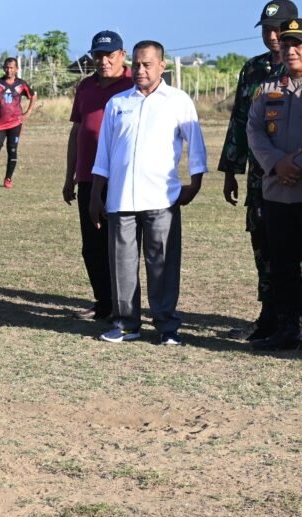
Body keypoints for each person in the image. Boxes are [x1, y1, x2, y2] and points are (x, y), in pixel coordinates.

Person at [89, 40, 208, 345]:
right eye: (137, 64)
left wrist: (194, 184)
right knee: (122, 265)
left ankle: (167, 327)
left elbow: (195, 145)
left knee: (163, 264)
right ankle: (126, 324)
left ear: (161, 66)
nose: (140, 70)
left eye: (147, 64)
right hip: (121, 199)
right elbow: (104, 153)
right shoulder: (118, 103)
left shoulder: (178, 101)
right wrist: (96, 194)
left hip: (162, 199)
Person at [220, 0, 298, 341]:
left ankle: (290, 318)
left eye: (279, 28)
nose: (272, 36)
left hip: (295, 177)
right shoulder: (254, 70)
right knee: (266, 244)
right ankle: (271, 316)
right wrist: (230, 169)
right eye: (267, 29)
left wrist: (291, 164)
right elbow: (241, 121)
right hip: (262, 176)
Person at [64, 30, 133, 321]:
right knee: (92, 245)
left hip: (123, 177)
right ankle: (103, 302)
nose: (103, 61)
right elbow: (78, 130)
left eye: (109, 55)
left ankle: (126, 305)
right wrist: (70, 177)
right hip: (89, 177)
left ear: (122, 54)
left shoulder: (133, 83)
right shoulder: (86, 86)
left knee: (122, 244)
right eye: (98, 55)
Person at [246, 17, 302, 350]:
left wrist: (293, 163)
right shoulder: (268, 89)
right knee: (281, 264)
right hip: (277, 191)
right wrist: (275, 163)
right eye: (287, 44)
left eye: (298, 44)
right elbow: (253, 131)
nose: (291, 50)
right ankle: (287, 328)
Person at [0, 57, 35, 189]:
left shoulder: (21, 84)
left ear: (16, 69)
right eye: (6, 67)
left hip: (15, 123)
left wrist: (27, 113)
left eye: (11, 67)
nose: (9, 70)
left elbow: (33, 96)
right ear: (3, 68)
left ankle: (8, 179)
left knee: (12, 150)